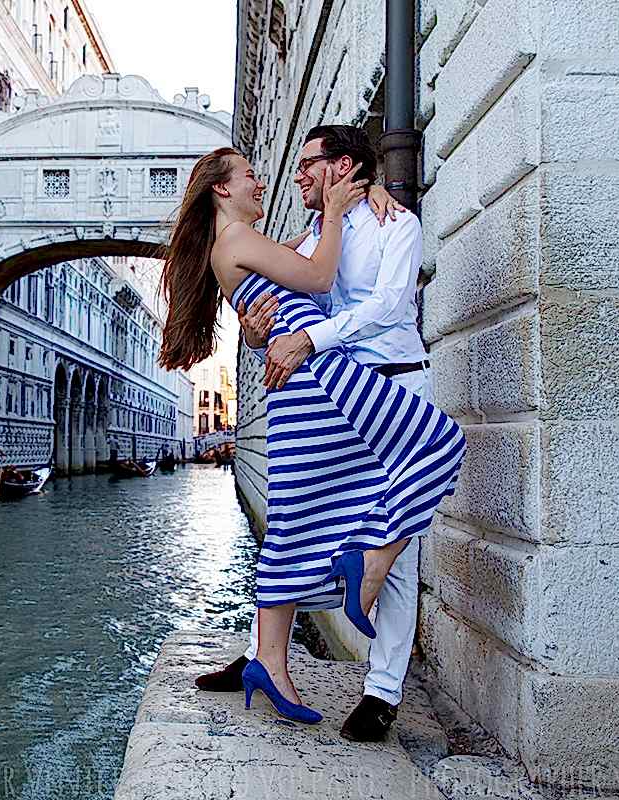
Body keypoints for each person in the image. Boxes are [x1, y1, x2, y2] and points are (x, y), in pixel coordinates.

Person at [158, 143, 465, 730]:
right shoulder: (290, 235)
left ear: (342, 168)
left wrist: (270, 331)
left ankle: (341, 675)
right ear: (223, 189)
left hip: (349, 373)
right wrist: (329, 217)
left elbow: (372, 302)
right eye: (255, 174)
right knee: (330, 497)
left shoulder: (391, 223)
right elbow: (313, 283)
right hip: (324, 378)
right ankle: (340, 587)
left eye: (307, 166)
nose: (281, 179)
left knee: (301, 513)